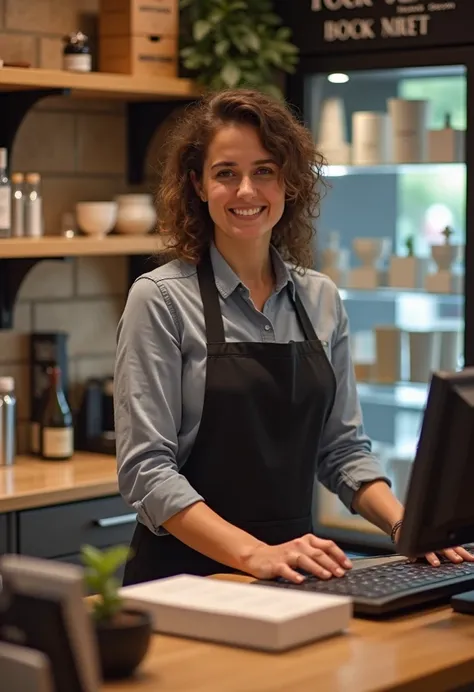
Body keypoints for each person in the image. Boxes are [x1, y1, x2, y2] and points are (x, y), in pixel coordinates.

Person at [115, 88, 473, 587]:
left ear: (289, 183)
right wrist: (255, 555)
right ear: (197, 185)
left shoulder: (321, 298)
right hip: (185, 579)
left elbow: (342, 450)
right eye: (226, 173)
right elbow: (147, 472)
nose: (246, 191)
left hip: (294, 572)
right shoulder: (160, 299)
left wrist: (407, 527)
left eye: (264, 170)